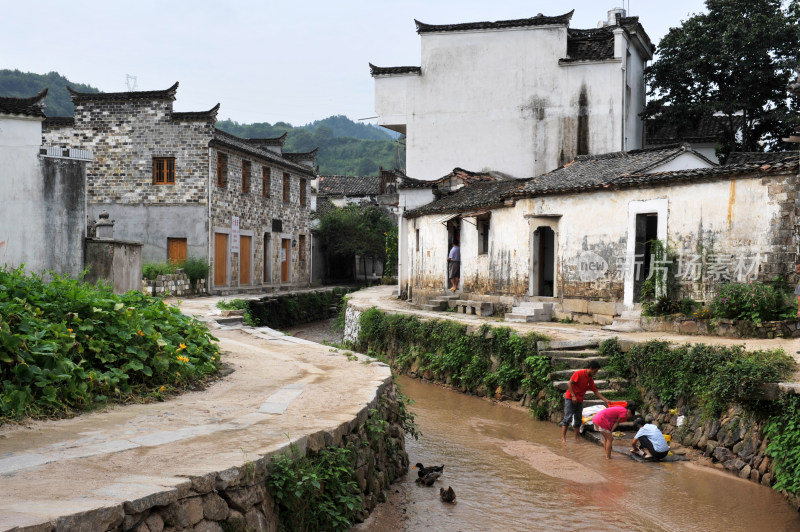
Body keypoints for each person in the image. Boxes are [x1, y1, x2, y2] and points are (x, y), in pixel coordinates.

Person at [560, 360, 610, 443]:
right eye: (595, 371)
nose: (596, 373)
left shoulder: (590, 379)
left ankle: (577, 438)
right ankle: (563, 439)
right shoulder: (579, 373)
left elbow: (595, 391)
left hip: (579, 399)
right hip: (570, 398)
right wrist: (573, 396)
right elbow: (569, 383)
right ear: (590, 368)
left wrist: (606, 400)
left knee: (578, 419)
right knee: (567, 418)